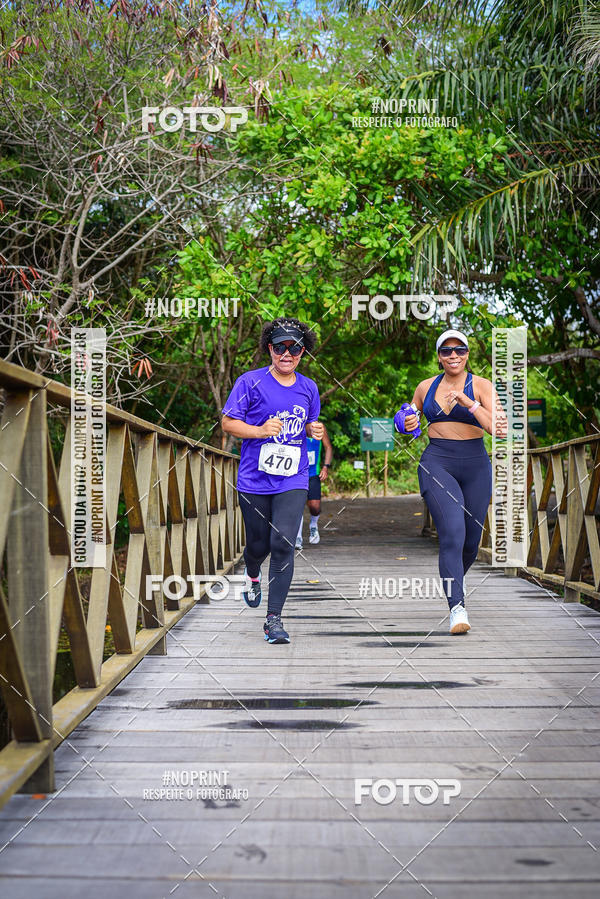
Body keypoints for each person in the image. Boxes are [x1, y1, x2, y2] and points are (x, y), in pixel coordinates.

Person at [395, 329, 505, 635]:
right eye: (446, 350)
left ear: (468, 354)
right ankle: (457, 608)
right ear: (439, 356)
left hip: (476, 465)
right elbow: (407, 418)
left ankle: (454, 580)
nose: (453, 355)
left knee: (470, 542)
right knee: (453, 534)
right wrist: (405, 422)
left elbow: (500, 429)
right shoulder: (426, 386)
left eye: (459, 350)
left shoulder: (481, 386)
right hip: (437, 462)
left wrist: (470, 403)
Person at [221, 317, 323, 644]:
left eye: (295, 348)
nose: (287, 354)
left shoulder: (308, 388)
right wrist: (260, 431)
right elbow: (228, 423)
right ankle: (252, 573)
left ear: (303, 352)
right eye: (280, 347)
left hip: (293, 477)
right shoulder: (250, 382)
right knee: (258, 545)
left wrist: (314, 430)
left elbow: (310, 425)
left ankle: (273, 619)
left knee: (282, 542)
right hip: (254, 478)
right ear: (270, 348)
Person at [295, 424, 333, 549]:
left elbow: (328, 447)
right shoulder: (295, 424)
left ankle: (313, 525)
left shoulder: (319, 427)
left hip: (313, 473)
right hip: (296, 474)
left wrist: (325, 467)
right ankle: (297, 537)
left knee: (314, 507)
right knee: (297, 505)